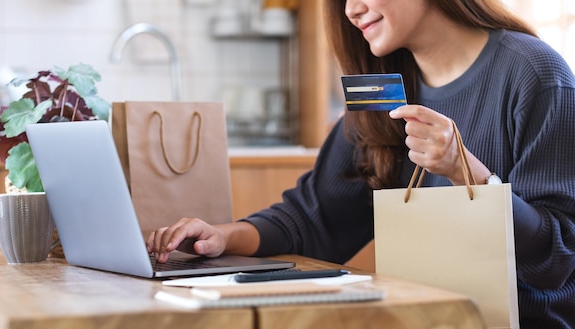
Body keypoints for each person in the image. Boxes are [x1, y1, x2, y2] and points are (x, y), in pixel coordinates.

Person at [147, 0, 575, 327]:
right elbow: (316, 220)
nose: (351, 9)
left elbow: (557, 258)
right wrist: (222, 237)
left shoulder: (534, 74)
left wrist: (467, 171)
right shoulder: (382, 89)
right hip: (419, 316)